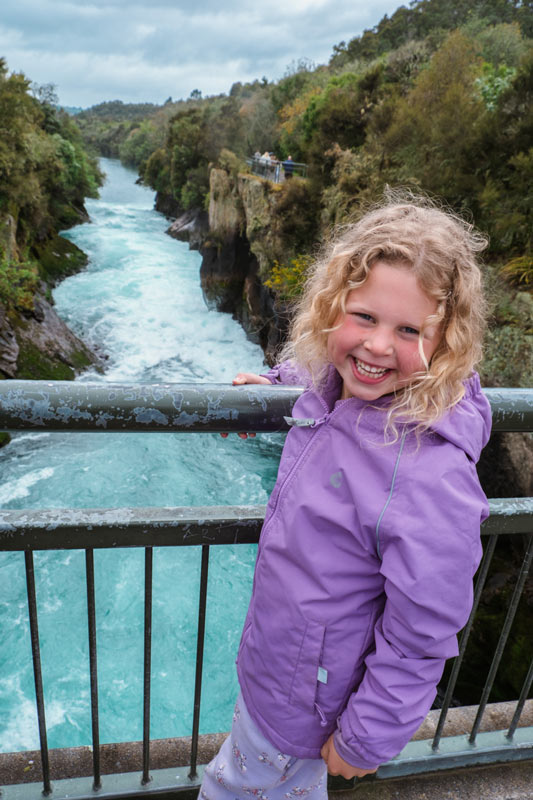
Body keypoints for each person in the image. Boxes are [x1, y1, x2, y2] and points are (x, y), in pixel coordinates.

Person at [201, 193, 491, 800]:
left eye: (408, 329)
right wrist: (272, 387)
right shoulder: (340, 386)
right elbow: (317, 376)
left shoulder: (429, 473)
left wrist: (365, 738)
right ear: (332, 309)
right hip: (284, 673)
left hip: (311, 705)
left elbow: (422, 632)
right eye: (363, 317)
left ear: (446, 343)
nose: (378, 345)